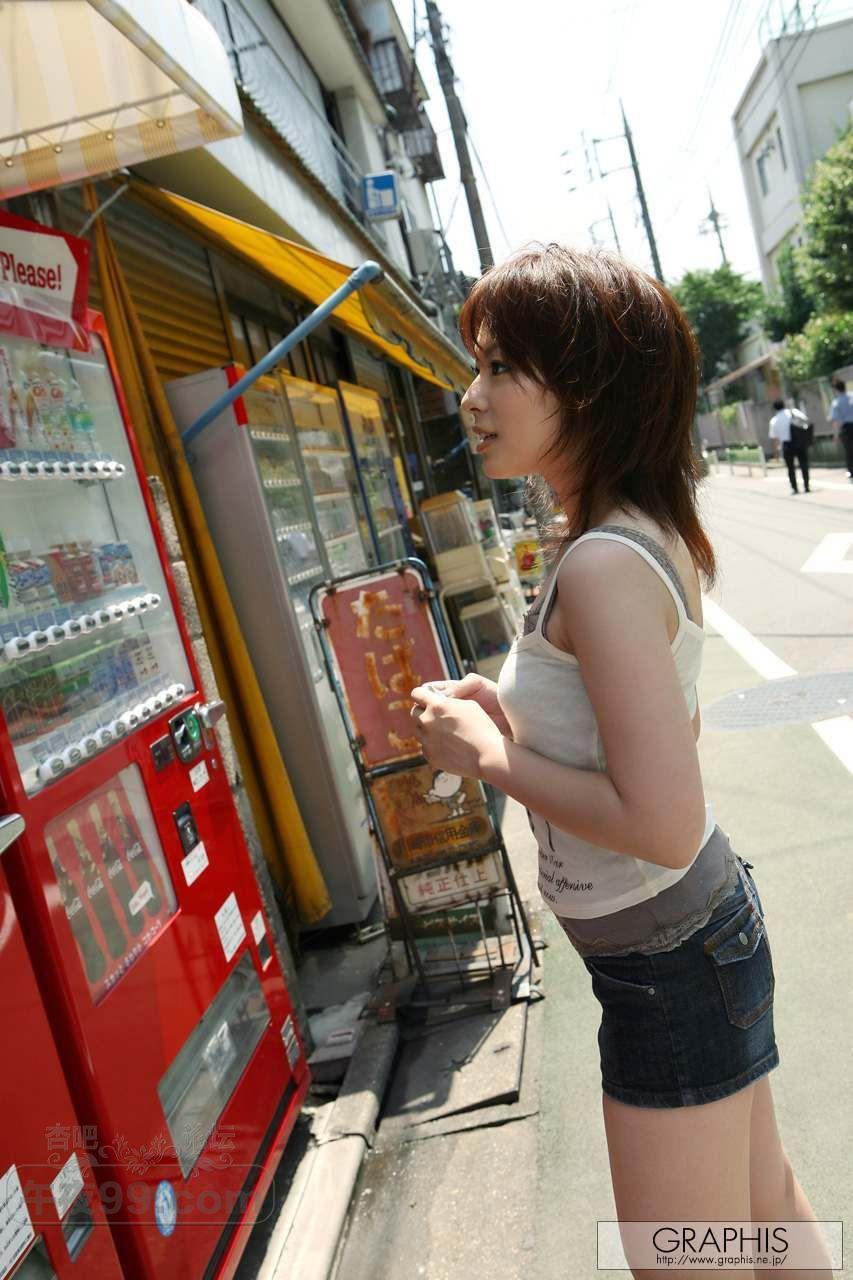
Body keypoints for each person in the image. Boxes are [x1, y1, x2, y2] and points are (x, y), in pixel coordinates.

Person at [408, 245, 831, 1278]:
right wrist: (508, 725)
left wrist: (489, 757)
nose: (471, 396)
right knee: (762, 1215)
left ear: (588, 383)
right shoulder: (631, 532)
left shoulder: (600, 561)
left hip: (669, 961)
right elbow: (658, 739)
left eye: (499, 366)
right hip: (685, 940)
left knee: (686, 1259)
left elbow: (660, 821)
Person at [768, 398, 810, 494]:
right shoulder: (793, 412)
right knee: (803, 464)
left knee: (790, 468)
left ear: (774, 408)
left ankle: (794, 488)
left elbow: (774, 438)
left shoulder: (774, 421)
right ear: (784, 405)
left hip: (786, 445)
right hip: (799, 442)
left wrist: (776, 454)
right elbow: (806, 420)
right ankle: (806, 486)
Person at [829, 378, 853, 480]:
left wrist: (836, 435)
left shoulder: (836, 402)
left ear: (836, 389)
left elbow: (835, 420)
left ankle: (851, 471)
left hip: (846, 428)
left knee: (849, 451)